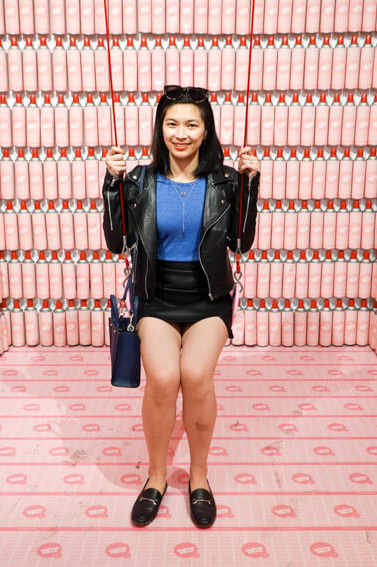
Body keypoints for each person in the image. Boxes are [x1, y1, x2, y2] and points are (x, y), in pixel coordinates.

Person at [102, 85, 260, 528]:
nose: (181, 133)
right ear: (160, 128)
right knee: (163, 380)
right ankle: (155, 477)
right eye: (172, 123)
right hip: (156, 298)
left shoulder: (226, 180)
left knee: (195, 375)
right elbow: (118, 243)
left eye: (191, 124)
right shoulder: (138, 180)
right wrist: (110, 182)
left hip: (208, 298)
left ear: (205, 129)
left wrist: (251, 182)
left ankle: (199, 477)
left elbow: (240, 241)